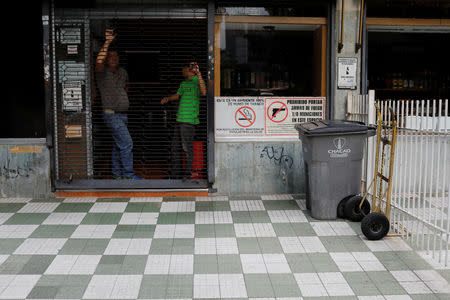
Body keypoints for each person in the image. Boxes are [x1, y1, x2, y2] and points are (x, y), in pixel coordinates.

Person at [95, 29, 142, 180]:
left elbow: (126, 87)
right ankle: (128, 175)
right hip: (111, 114)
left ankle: (117, 175)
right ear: (106, 59)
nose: (113, 58)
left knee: (118, 145)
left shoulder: (123, 72)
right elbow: (98, 61)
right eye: (110, 56)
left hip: (123, 116)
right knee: (127, 143)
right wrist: (108, 41)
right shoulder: (101, 73)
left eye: (116, 56)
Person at [161, 62, 206, 180]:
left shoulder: (197, 81)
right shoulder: (184, 83)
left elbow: (204, 92)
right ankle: (175, 175)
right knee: (175, 147)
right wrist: (168, 98)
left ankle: (187, 175)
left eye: (184, 68)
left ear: (190, 70)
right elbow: (178, 95)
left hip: (189, 120)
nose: (182, 70)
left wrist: (199, 73)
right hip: (179, 119)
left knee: (187, 148)